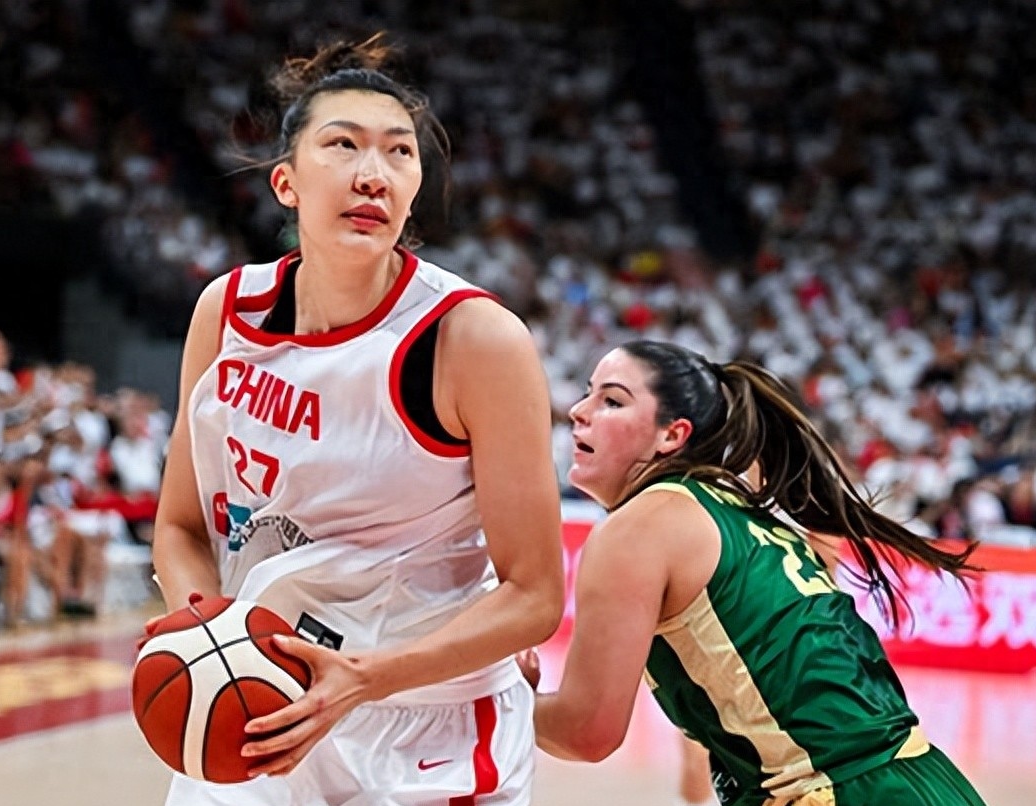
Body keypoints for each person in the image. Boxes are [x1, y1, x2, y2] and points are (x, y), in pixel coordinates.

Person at [151, 33, 563, 805]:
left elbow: (535, 595)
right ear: (286, 181)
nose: (373, 173)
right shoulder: (227, 312)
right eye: (343, 145)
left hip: (424, 723)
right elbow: (179, 528)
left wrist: (365, 679)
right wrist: (207, 632)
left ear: (414, 187)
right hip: (265, 700)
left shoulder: (473, 339)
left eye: (399, 153)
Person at [519, 340, 985, 806]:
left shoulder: (639, 527)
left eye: (612, 401)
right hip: (925, 778)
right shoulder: (733, 505)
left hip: (835, 790)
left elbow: (587, 731)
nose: (578, 411)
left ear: (672, 435)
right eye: (588, 393)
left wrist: (504, 699)